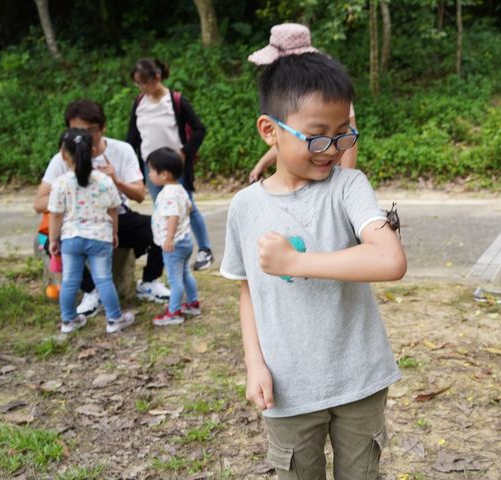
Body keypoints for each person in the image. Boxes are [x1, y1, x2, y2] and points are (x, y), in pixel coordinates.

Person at [220, 52, 406, 478]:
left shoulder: (348, 186)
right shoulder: (245, 207)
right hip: (288, 387)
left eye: (344, 135)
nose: (333, 150)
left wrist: (298, 261)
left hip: (359, 378)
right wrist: (254, 365)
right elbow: (248, 289)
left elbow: (389, 258)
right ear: (270, 131)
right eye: (318, 136)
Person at [33, 100, 170, 313]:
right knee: (50, 241)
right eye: (77, 131)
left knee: (162, 224)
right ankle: (90, 291)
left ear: (103, 127)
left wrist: (116, 180)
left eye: (91, 131)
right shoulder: (63, 158)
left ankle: (149, 281)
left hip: (115, 219)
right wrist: (70, 191)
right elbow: (39, 203)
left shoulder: (121, 150)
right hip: (76, 223)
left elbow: (140, 195)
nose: (85, 138)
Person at [126, 58, 214, 271]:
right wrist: (134, 166)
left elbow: (199, 129)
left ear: (157, 78)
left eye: (144, 82)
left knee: (187, 207)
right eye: (138, 84)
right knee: (162, 209)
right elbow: (132, 138)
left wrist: (184, 152)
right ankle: (170, 249)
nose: (141, 88)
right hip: (151, 168)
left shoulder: (175, 101)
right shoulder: (139, 103)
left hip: (176, 168)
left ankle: (204, 250)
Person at [48, 129, 135, 334]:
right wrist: (114, 233)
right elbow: (113, 209)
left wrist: (53, 239)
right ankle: (114, 319)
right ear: (93, 151)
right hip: (100, 237)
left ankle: (68, 321)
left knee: (70, 280)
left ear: (63, 155)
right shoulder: (104, 180)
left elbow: (56, 214)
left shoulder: (61, 183)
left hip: (71, 238)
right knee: (104, 279)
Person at [247, 23, 358, 183]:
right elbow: (291, 135)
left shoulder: (330, 92)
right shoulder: (284, 94)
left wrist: (345, 183)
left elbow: (346, 138)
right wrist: (262, 164)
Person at [147, 147, 201, 326]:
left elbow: (173, 216)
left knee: (174, 280)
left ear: (164, 174)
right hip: (185, 240)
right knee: (185, 273)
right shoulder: (180, 189)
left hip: (174, 244)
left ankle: (174, 312)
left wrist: (169, 238)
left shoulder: (167, 194)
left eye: (151, 171)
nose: (149, 175)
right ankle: (193, 303)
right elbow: (189, 209)